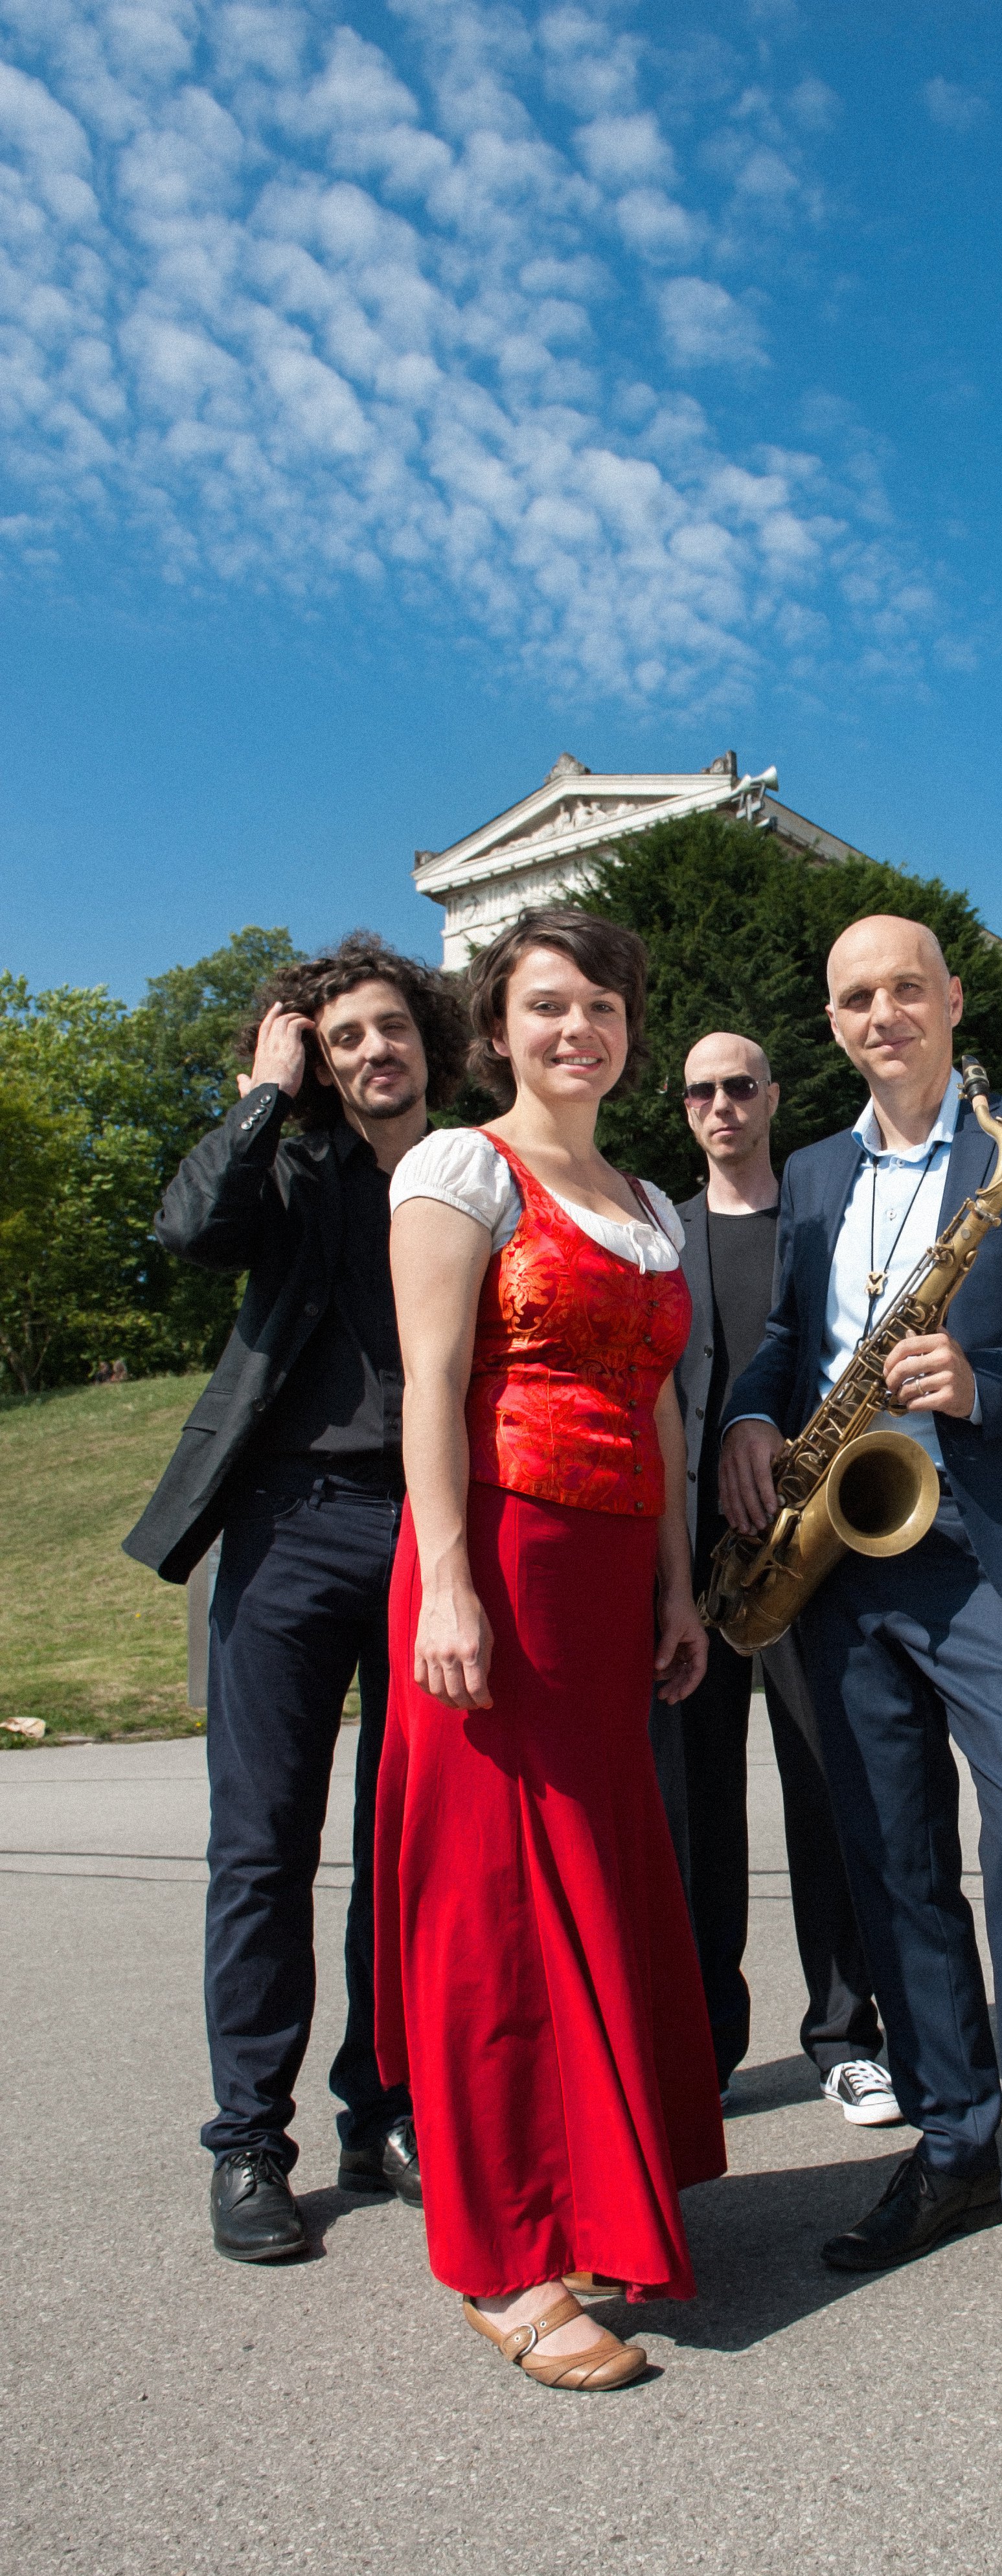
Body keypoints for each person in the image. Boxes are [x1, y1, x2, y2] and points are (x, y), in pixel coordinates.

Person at [720, 915, 1002, 2380]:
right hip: (847, 1563)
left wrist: (987, 1378)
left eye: (904, 987)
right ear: (835, 1022)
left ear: (951, 1000)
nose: (880, 1013)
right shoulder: (810, 1174)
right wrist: (743, 1415)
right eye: (853, 996)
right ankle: (954, 2141)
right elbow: (790, 1340)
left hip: (994, 1548)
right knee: (892, 1867)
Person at [376, 907, 724, 2393]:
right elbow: (433, 1381)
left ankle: (587, 2199)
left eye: (599, 1006)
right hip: (495, 1564)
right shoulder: (461, 1169)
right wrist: (447, 1584)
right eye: (545, 1006)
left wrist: (675, 1588)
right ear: (495, 1027)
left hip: (604, 1578)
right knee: (492, 1907)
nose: (575, 1029)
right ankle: (501, 2261)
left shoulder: (643, 1198)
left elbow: (651, 1402)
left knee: (583, 1882)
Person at [126, 935, 470, 2264]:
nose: (373, 1051)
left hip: (430, 1527)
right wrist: (264, 1090)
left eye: (391, 1027)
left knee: (406, 1844)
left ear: (431, 1038)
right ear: (319, 1060)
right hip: (286, 1528)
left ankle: (379, 2112)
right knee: (263, 1845)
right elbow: (187, 1230)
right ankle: (248, 2142)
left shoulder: (475, 1170)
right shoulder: (289, 1164)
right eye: (343, 1039)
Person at [650, 1031, 895, 2123]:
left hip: (808, 1550)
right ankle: (701, 2044)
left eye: (740, 1084)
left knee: (825, 1790)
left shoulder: (824, 1223)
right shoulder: (658, 1233)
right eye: (700, 1090)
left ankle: (844, 2034)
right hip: (693, 1568)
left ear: (773, 1094)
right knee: (695, 1812)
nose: (720, 1105)